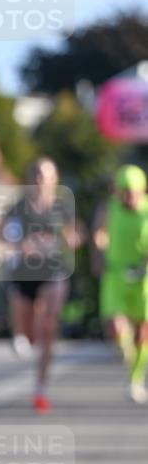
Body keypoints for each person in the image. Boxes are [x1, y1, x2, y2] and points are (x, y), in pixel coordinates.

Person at [2, 157, 79, 413]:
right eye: (35, 175)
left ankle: (40, 388)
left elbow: (74, 235)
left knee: (47, 327)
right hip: (24, 274)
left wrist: (67, 241)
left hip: (53, 271)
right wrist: (18, 245)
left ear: (54, 180)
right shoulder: (19, 207)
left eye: (45, 176)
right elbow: (3, 232)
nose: (39, 180)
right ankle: (22, 335)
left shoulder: (62, 207)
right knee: (28, 335)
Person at [93, 164, 148, 404]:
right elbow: (99, 233)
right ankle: (126, 352)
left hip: (144, 277)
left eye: (132, 192)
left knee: (143, 333)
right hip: (116, 274)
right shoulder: (109, 208)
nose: (128, 197)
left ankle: (135, 379)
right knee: (116, 325)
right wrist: (99, 251)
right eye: (123, 192)